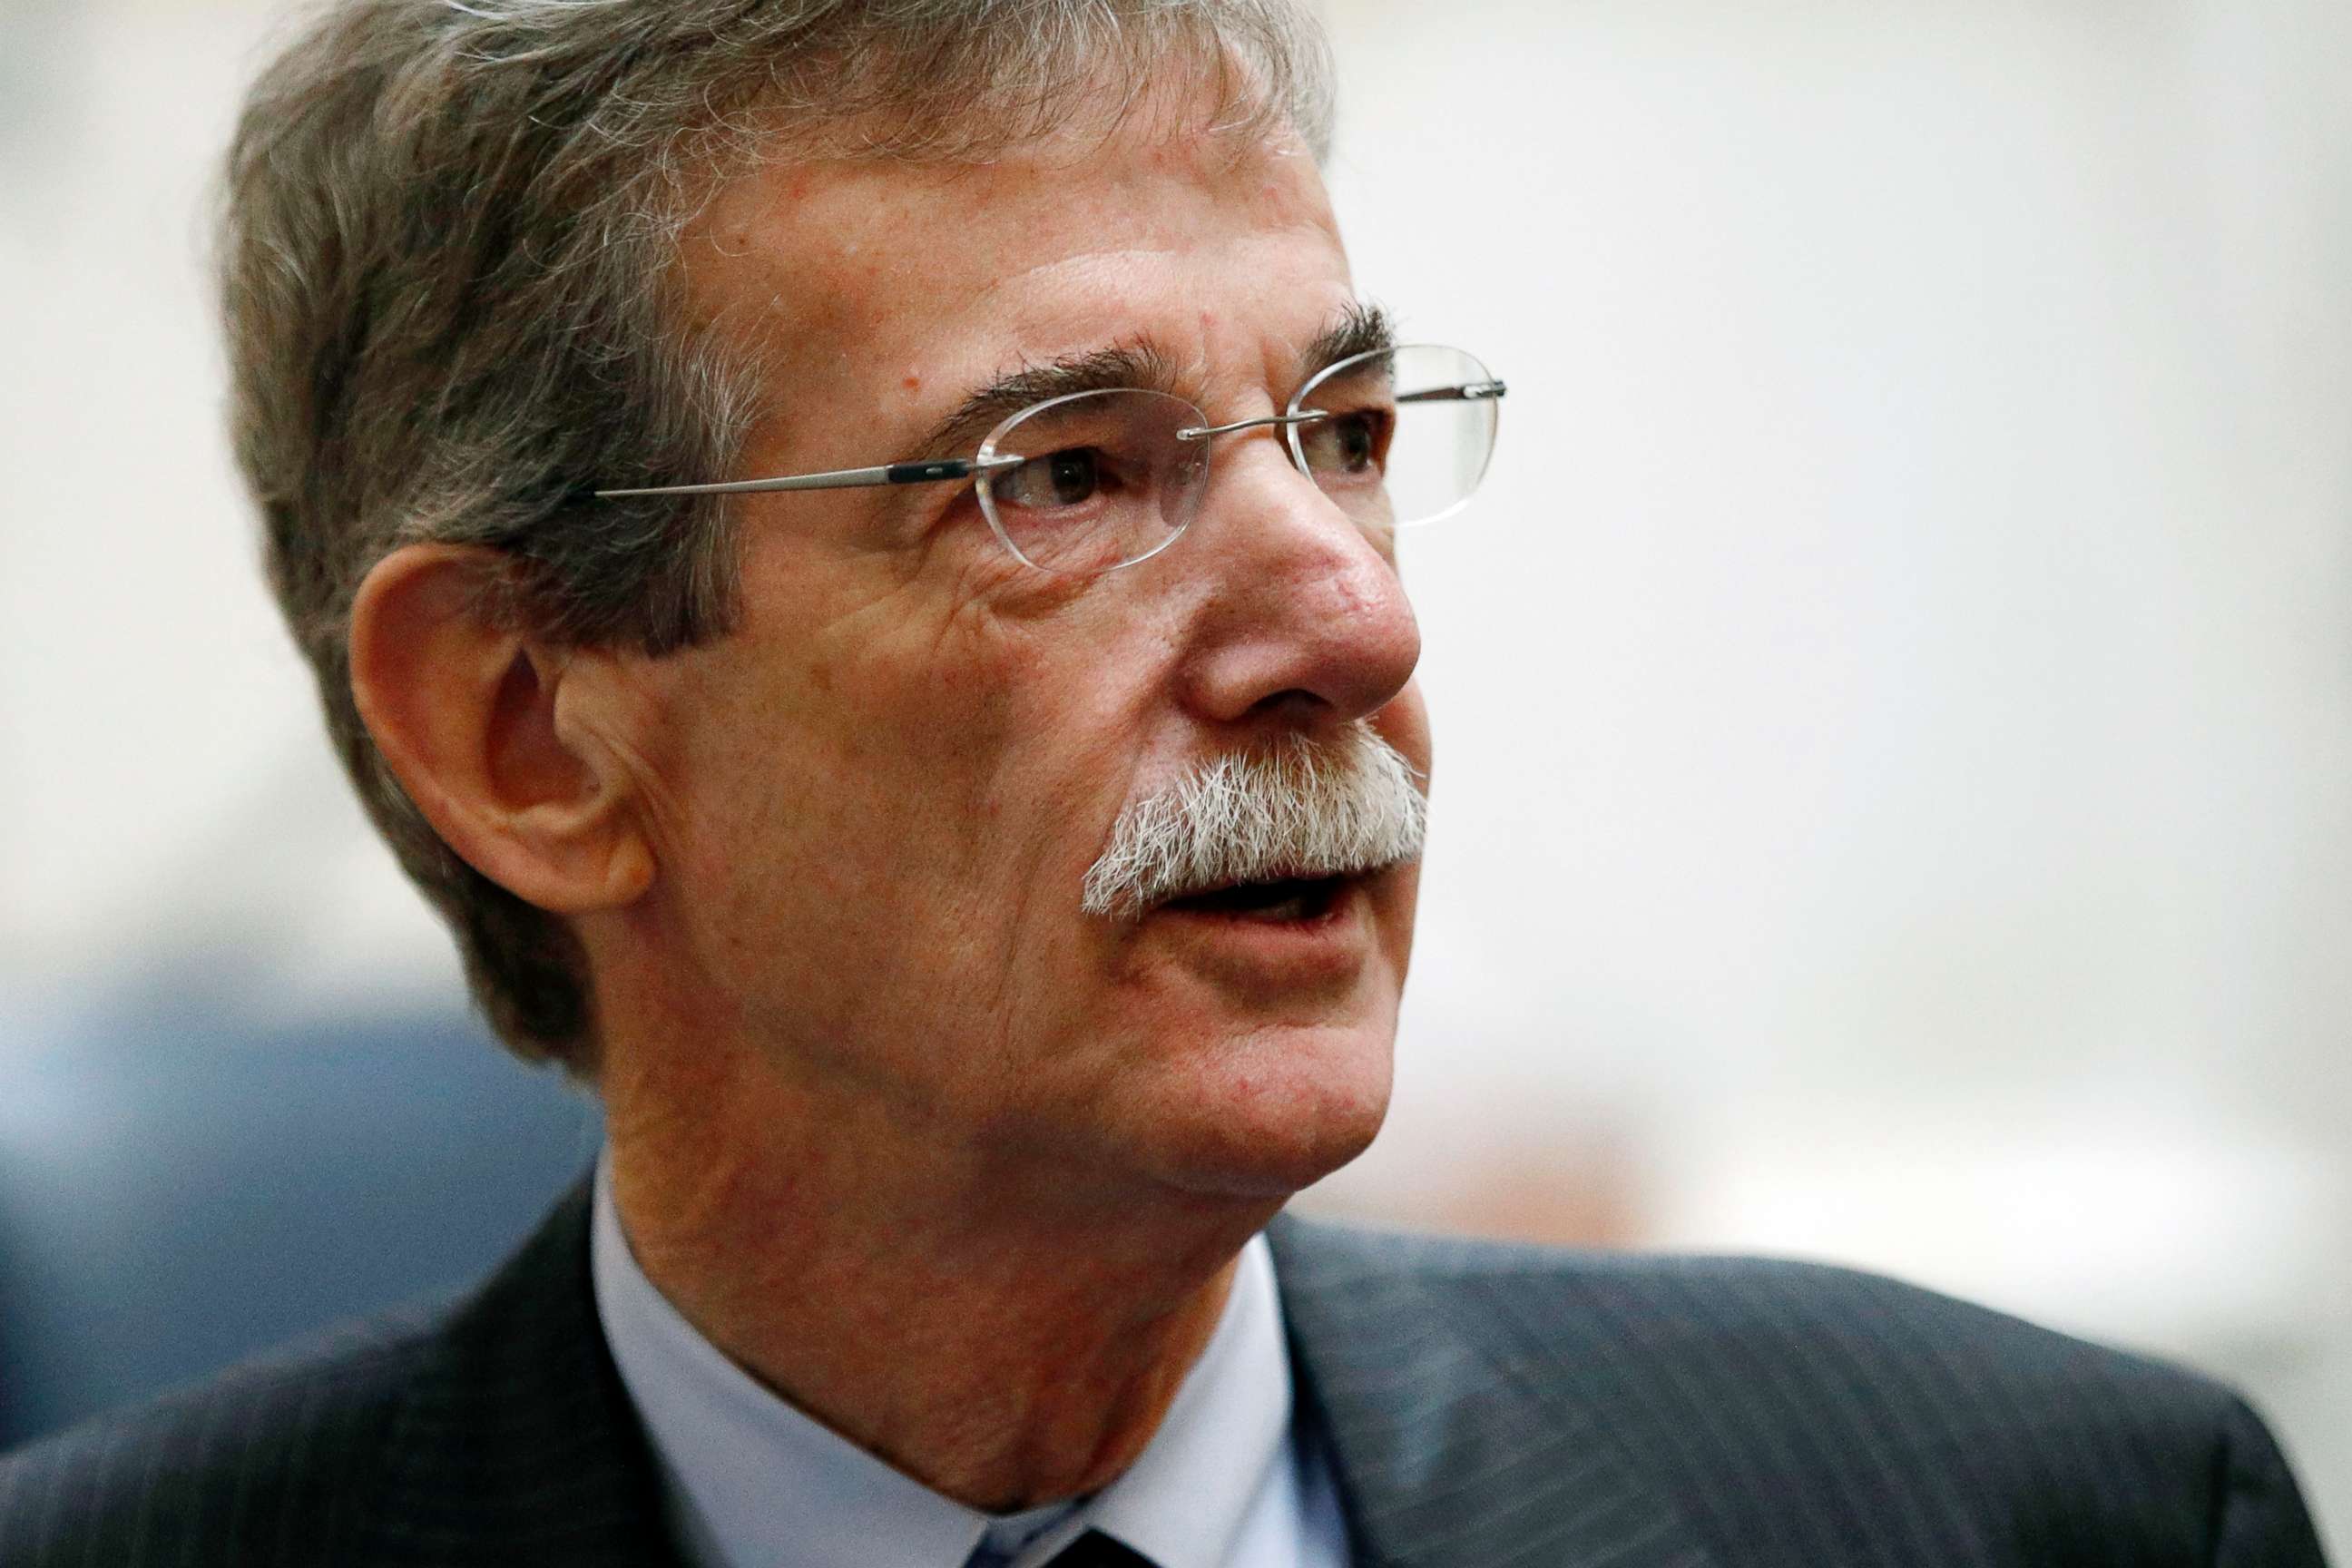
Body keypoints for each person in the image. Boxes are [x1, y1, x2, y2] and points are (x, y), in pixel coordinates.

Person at [0, 1, 2328, 1563]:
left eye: (1347, 433)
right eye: (1069, 475)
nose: (1359, 628)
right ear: (528, 726)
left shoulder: (2050, 1519)